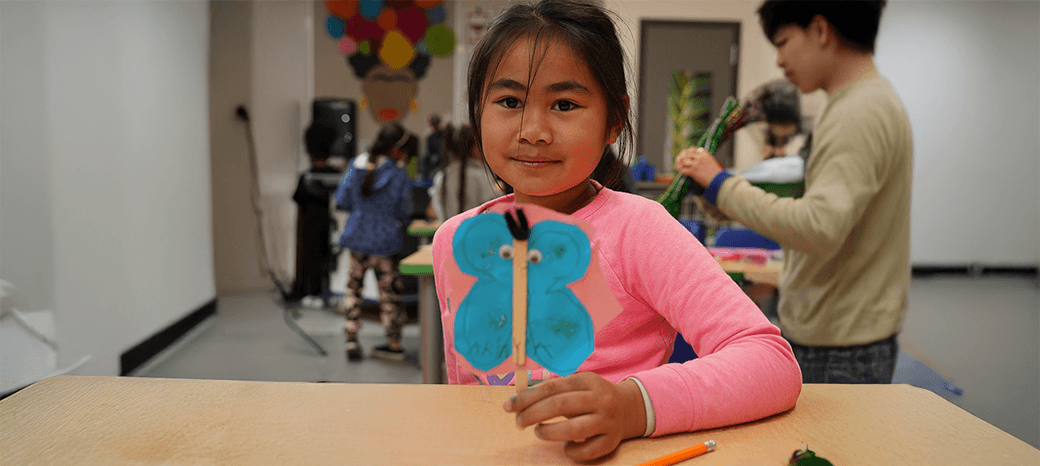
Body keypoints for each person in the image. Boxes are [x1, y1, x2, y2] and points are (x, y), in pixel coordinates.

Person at [430, 0, 802, 461]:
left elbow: (770, 361)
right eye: (509, 102)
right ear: (477, 112)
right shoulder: (454, 240)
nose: (533, 131)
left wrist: (633, 406)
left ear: (614, 119)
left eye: (564, 104)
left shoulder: (637, 231)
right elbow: (465, 397)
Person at [675, 0, 912, 385]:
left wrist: (722, 184)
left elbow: (817, 227)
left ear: (820, 31)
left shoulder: (859, 112)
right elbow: (804, 208)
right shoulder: (862, 103)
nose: (780, 60)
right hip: (837, 334)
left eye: (783, 42)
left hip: (840, 345)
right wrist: (714, 192)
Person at [335, 122, 417, 362]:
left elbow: (341, 199)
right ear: (396, 149)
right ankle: (393, 342)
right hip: (385, 243)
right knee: (390, 295)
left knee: (353, 290)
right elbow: (404, 210)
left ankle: (351, 339)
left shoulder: (356, 165)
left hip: (357, 239)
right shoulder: (398, 174)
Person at [286, 123, 342, 305]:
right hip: (332, 228)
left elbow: (298, 199)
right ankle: (326, 291)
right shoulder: (339, 176)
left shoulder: (307, 178)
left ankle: (309, 291)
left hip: (309, 228)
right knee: (330, 259)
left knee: (310, 258)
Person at [426, 124, 500, 222]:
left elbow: (433, 211)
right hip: (477, 235)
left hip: (447, 235)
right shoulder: (481, 175)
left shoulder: (441, 176)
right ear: (474, 148)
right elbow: (494, 212)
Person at [418, 114, 447, 182]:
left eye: (436, 124)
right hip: (433, 163)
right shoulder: (431, 138)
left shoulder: (444, 136)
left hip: (441, 163)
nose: (435, 126)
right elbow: (427, 153)